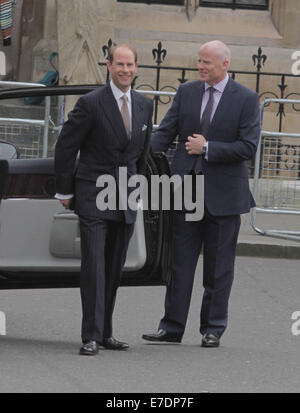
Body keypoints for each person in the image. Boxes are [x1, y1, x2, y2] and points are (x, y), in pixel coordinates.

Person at [142, 40, 260, 348]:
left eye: (207, 62)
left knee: (218, 269)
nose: (201, 66)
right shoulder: (186, 92)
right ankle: (171, 327)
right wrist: (136, 158)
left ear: (225, 64)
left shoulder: (246, 99)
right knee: (179, 264)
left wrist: (207, 148)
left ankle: (213, 327)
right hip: (185, 193)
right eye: (199, 61)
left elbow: (248, 146)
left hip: (224, 196)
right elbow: (166, 134)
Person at [55, 44, 153, 356]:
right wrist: (65, 190)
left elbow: (142, 153)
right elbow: (66, 146)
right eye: (119, 64)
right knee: (94, 266)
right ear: (108, 66)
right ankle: (91, 336)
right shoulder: (91, 103)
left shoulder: (144, 105)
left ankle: (106, 332)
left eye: (130, 65)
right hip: (93, 192)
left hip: (125, 194)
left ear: (137, 67)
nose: (125, 70)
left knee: (114, 267)